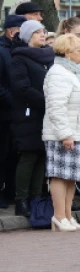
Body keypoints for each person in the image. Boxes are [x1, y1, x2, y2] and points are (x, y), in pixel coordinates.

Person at [41, 34, 80, 231]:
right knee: (60, 175)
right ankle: (59, 216)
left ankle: (67, 216)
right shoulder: (58, 73)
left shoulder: (77, 72)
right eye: (79, 50)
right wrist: (65, 134)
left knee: (71, 176)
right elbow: (55, 107)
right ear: (67, 53)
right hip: (65, 133)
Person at [9, 20, 53, 217]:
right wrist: (47, 101)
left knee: (43, 154)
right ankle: (21, 200)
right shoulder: (19, 58)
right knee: (29, 154)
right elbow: (21, 87)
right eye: (37, 32)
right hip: (28, 114)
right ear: (28, 36)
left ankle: (37, 197)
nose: (42, 35)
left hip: (47, 114)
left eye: (43, 31)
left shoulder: (48, 57)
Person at [0, 14, 25, 207]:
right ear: (12, 32)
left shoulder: (19, 50)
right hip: (5, 112)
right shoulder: (2, 51)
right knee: (3, 153)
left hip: (17, 114)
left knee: (14, 154)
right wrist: (13, 101)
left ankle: (11, 191)